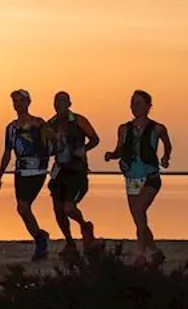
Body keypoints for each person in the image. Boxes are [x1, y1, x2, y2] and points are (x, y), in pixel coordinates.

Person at [103, 89, 172, 265]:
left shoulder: (157, 127)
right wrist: (112, 155)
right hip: (131, 178)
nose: (135, 106)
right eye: (132, 103)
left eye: (139, 103)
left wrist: (165, 157)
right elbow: (119, 149)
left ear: (149, 106)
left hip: (151, 177)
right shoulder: (124, 129)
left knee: (139, 211)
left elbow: (167, 143)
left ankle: (141, 253)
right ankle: (155, 252)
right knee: (138, 218)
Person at [0, 88, 52, 261]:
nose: (18, 104)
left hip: (38, 170)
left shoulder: (39, 123)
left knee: (23, 206)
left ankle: (41, 241)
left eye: (21, 101)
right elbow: (7, 153)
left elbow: (53, 141)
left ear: (28, 102)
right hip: (20, 171)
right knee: (22, 208)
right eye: (15, 101)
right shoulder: (11, 128)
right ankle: (40, 237)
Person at [46, 91, 101, 258]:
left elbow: (95, 139)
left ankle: (85, 226)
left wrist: (83, 149)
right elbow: (47, 149)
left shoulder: (78, 120)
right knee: (58, 210)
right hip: (59, 171)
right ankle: (70, 243)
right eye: (57, 101)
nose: (59, 104)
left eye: (63, 101)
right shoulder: (51, 124)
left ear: (69, 103)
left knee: (69, 208)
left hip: (77, 172)